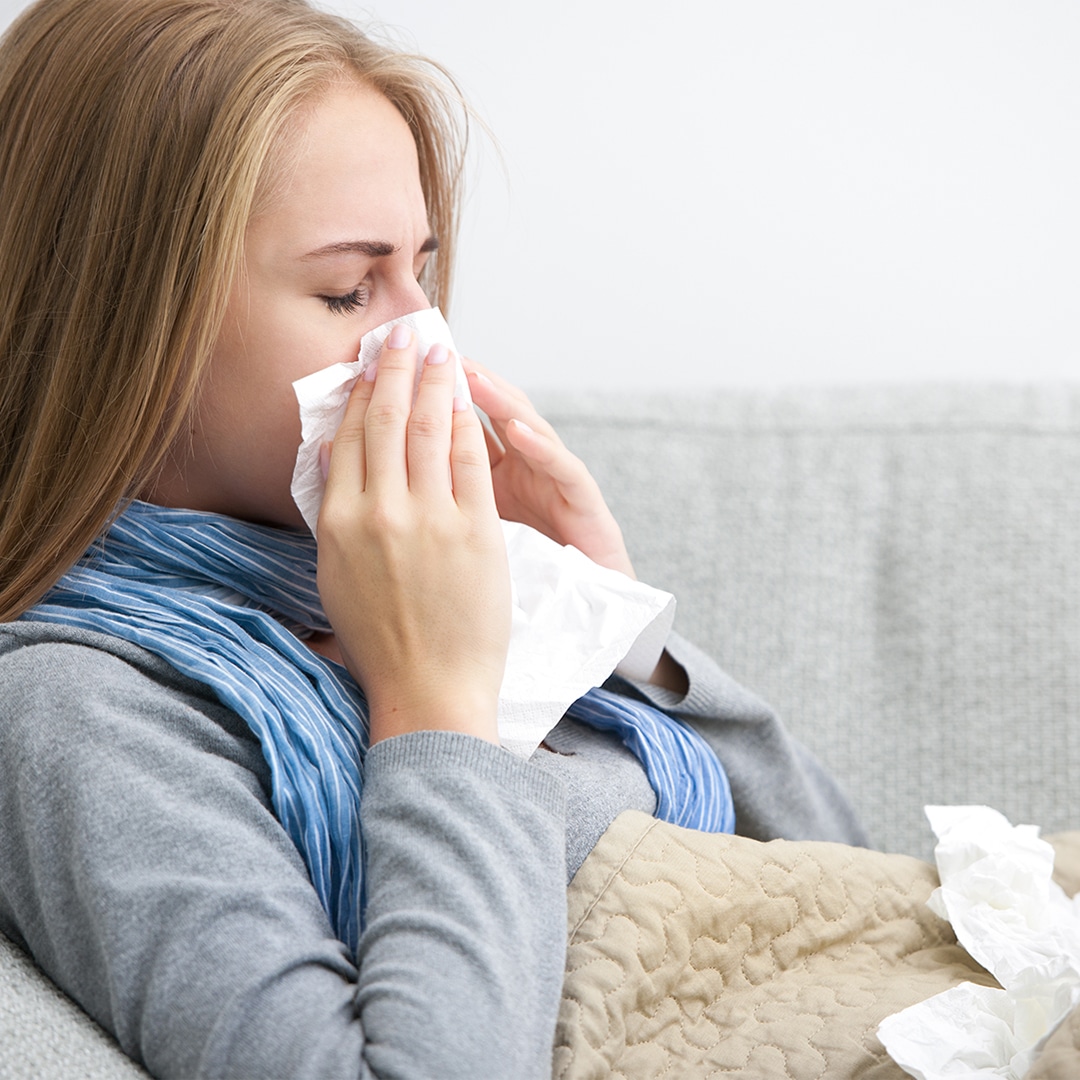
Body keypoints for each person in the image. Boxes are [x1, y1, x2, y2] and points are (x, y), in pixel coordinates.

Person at [0, 1, 868, 1076]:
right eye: (347, 288)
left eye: (422, 270)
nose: (427, 340)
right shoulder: (85, 710)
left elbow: (859, 895)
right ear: (127, 328)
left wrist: (612, 623)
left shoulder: (423, 589)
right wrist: (433, 709)